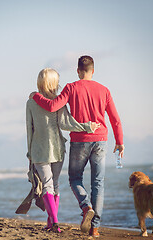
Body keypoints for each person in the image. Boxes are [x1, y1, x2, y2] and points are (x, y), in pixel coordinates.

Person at [30, 56, 124, 237]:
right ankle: (94, 228)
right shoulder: (104, 90)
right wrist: (119, 142)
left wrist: (36, 96)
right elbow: (115, 119)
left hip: (80, 141)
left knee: (75, 179)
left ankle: (85, 206)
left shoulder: (71, 88)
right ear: (93, 71)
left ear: (78, 71)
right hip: (101, 140)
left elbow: (52, 106)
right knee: (98, 183)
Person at [26, 68, 100, 233]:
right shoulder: (58, 101)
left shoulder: (31, 102)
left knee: (47, 184)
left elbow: (29, 130)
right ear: (53, 82)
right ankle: (53, 222)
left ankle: (53, 222)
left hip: (39, 149)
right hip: (58, 148)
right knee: (55, 185)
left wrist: (29, 153)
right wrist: (87, 126)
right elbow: (67, 123)